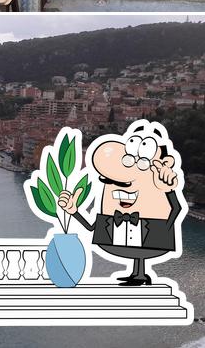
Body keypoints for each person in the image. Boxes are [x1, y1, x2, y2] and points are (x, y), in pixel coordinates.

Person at [58, 121, 183, 287]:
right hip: (129, 232)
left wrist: (163, 228)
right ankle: (137, 274)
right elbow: (91, 227)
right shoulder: (111, 214)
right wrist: (74, 210)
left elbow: (177, 208)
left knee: (140, 250)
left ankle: (139, 274)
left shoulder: (159, 184)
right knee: (138, 252)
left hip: (150, 230)